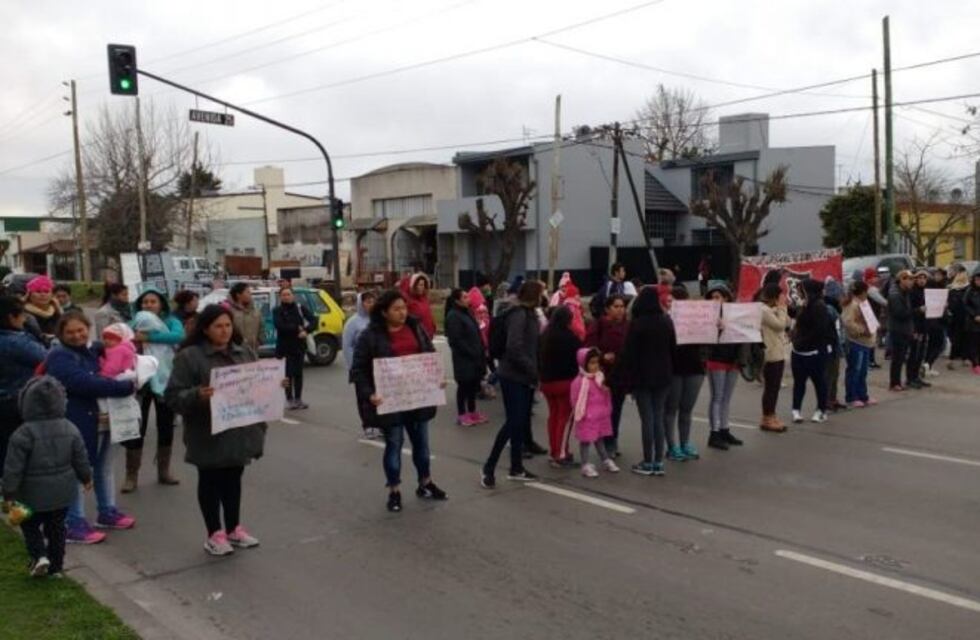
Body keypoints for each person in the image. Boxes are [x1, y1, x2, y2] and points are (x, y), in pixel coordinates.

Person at [165, 305, 269, 556]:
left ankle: (234, 528)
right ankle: (214, 533)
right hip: (208, 431)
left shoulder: (244, 352)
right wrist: (197, 395)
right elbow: (172, 396)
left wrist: (275, 383)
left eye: (228, 325)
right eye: (218, 326)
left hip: (239, 430)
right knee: (210, 481)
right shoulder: (189, 357)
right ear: (205, 329)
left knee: (234, 480)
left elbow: (257, 384)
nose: (224, 331)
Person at [350, 290, 448, 512]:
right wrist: (370, 394)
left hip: (418, 399)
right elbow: (358, 370)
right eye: (396, 309)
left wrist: (437, 378)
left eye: (404, 307)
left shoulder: (416, 328)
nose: (402, 312)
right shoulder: (370, 336)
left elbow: (429, 355)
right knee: (394, 445)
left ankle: (425, 483)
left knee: (422, 445)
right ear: (384, 312)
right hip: (391, 401)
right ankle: (394, 490)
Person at [45, 311, 137, 544]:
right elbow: (82, 383)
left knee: (104, 467)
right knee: (77, 471)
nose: (77, 335)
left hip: (105, 419)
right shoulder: (59, 356)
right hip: (77, 420)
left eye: (81, 330)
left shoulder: (94, 350)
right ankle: (73, 523)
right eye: (70, 332)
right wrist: (123, 387)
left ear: (88, 328)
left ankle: (107, 512)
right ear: (61, 334)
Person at [2, 376, 93, 577]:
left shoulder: (22, 434)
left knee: (30, 525)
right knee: (57, 529)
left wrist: (8, 493)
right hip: (62, 493)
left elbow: (13, 468)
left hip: (31, 494)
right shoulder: (70, 428)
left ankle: (39, 556)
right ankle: (56, 566)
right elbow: (80, 457)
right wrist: (86, 477)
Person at [481, 280, 546, 487]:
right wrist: (532, 369)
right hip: (513, 376)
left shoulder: (530, 314)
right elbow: (514, 348)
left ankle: (516, 467)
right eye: (541, 293)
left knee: (519, 424)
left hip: (525, 377)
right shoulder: (518, 315)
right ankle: (488, 467)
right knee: (513, 423)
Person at [126, 288, 185, 491]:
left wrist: (148, 338)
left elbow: (178, 336)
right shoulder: (134, 322)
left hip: (165, 380)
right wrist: (136, 338)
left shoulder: (171, 321)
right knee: (137, 427)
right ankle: (131, 475)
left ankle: (164, 471)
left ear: (161, 304)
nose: (149, 305)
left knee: (166, 425)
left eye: (153, 301)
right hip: (140, 382)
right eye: (145, 302)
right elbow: (124, 338)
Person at [613, 286, 675, 475]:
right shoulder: (666, 322)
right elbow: (673, 348)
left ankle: (648, 461)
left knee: (647, 419)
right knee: (658, 416)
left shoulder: (637, 324)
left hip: (642, 377)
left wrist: (622, 376)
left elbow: (628, 354)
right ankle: (658, 461)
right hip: (664, 375)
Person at [0, 296, 47, 488]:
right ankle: (20, 506)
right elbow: (45, 356)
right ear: (11, 318)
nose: (25, 319)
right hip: (17, 403)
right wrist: (35, 333)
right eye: (22, 315)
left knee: (5, 455)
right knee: (22, 456)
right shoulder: (16, 342)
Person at [585, 294, 629, 456]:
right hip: (602, 376)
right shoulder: (599, 325)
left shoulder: (628, 326)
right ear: (607, 309)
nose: (620, 310)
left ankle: (612, 441)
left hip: (621, 375)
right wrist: (602, 357)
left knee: (616, 409)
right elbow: (588, 348)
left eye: (622, 306)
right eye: (616, 306)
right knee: (604, 411)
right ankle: (604, 441)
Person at [664, 286, 704, 460]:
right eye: (669, 302)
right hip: (674, 368)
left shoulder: (697, 319)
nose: (671, 304)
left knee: (687, 409)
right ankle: (672, 446)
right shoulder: (665, 320)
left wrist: (717, 327)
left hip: (694, 366)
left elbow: (709, 338)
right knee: (671, 409)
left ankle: (684, 442)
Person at [539, 306, 582, 466]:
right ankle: (561, 453)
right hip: (565, 382)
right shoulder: (570, 337)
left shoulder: (545, 335)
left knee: (554, 416)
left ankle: (554, 450)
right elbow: (579, 357)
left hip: (546, 382)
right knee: (564, 419)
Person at [703, 284, 743, 450]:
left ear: (726, 298)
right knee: (717, 397)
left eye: (718, 296)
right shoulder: (706, 316)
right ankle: (714, 433)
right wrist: (715, 327)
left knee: (726, 397)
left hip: (733, 359)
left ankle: (724, 429)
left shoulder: (736, 314)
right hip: (716, 359)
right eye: (712, 297)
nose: (714, 300)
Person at [790, 279, 835, 424]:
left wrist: (800, 340)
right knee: (799, 382)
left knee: (819, 381)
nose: (798, 293)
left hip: (815, 351)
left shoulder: (819, 306)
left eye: (800, 290)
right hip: (799, 351)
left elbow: (819, 330)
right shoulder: (804, 305)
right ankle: (796, 409)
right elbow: (796, 317)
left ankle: (821, 410)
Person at [570, 347, 619, 477]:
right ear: (583, 364)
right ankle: (585, 464)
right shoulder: (579, 382)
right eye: (591, 363)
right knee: (585, 441)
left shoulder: (600, 377)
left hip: (600, 416)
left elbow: (606, 396)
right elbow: (574, 400)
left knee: (600, 439)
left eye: (597, 362)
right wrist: (582, 414)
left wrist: (608, 409)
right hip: (587, 417)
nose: (595, 366)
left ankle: (605, 459)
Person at [444, 288, 487, 427]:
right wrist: (471, 352)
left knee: (473, 385)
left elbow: (476, 332)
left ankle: (473, 412)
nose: (468, 298)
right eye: (464, 297)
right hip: (464, 358)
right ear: (457, 300)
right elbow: (455, 340)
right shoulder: (453, 316)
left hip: (475, 357)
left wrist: (481, 350)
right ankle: (462, 415)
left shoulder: (467, 313)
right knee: (464, 386)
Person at [343, 291, 381, 438]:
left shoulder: (379, 320)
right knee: (364, 396)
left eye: (373, 300)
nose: (371, 304)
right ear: (361, 304)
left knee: (379, 396)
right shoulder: (353, 323)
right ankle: (368, 424)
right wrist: (353, 365)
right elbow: (347, 346)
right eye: (368, 301)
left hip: (378, 366)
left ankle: (380, 424)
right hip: (361, 366)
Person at [273, 286, 316, 410]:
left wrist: (306, 331)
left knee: (298, 374)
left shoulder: (300, 308)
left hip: (298, 347)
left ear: (293, 295)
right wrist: (297, 328)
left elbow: (314, 320)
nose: (286, 297)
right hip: (284, 347)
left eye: (288, 294)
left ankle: (298, 399)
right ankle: (289, 399)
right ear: (280, 297)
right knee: (287, 374)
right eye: (284, 295)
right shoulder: (277, 310)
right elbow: (280, 326)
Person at [759, 283, 790, 432]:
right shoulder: (763, 309)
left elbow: (788, 322)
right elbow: (780, 326)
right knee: (771, 388)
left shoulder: (770, 309)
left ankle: (771, 415)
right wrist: (782, 308)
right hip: (771, 354)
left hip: (777, 352)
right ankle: (767, 418)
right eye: (781, 296)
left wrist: (780, 309)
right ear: (775, 297)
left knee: (775, 388)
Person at [842, 281, 877, 408]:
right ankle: (851, 396)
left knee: (863, 371)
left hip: (866, 343)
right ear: (862, 292)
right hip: (855, 342)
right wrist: (863, 330)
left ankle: (863, 395)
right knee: (854, 370)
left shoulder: (864, 303)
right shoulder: (852, 304)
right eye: (866, 291)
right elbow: (848, 322)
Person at [887, 270, 916, 391]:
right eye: (909, 279)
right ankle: (894, 383)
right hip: (897, 329)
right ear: (902, 280)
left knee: (901, 356)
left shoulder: (905, 292)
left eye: (912, 279)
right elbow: (900, 313)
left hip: (905, 329)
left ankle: (897, 382)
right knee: (897, 358)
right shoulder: (895, 294)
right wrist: (917, 311)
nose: (911, 282)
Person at [823, 278, 847, 412]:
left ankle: (833, 398)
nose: (841, 297)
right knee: (829, 374)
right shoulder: (828, 308)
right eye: (839, 294)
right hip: (829, 344)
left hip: (836, 343)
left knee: (835, 373)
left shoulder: (836, 307)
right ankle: (826, 400)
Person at [905, 270, 932, 389]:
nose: (922, 280)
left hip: (924, 326)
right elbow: (908, 311)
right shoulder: (911, 292)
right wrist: (918, 310)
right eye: (919, 278)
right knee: (914, 353)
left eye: (924, 278)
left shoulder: (927, 291)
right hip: (915, 326)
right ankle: (910, 378)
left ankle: (917, 376)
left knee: (921, 353)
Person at [23, 275, 62, 347]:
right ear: (29, 295)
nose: (43, 294)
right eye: (38, 291)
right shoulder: (23, 313)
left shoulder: (56, 311)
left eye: (46, 291)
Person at [923, 270, 948, 377]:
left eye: (940, 275)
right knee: (939, 344)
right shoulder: (931, 285)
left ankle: (928, 365)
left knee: (934, 344)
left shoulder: (943, 286)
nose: (938, 276)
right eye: (937, 274)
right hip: (933, 319)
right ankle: (927, 363)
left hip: (940, 318)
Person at [228, 283, 265, 353]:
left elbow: (261, 328)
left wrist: (260, 341)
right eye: (247, 292)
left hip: (253, 351)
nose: (250, 294)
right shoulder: (229, 312)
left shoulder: (256, 311)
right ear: (238, 295)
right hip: (235, 352)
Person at [946, 271, 971, 369]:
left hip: (966, 317)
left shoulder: (969, 289)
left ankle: (965, 358)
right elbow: (951, 305)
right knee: (956, 339)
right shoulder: (952, 290)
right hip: (956, 318)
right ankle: (951, 359)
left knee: (966, 339)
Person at [400, 273, 436, 339]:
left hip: (428, 335)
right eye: (420, 285)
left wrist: (433, 326)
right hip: (416, 336)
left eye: (424, 285)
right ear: (413, 285)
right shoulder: (407, 300)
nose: (422, 287)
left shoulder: (424, 299)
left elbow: (428, 315)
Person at [965, 268, 980, 375]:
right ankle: (975, 364)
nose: (978, 281)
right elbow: (965, 305)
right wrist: (974, 315)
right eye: (977, 279)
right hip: (973, 322)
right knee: (973, 344)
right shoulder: (970, 291)